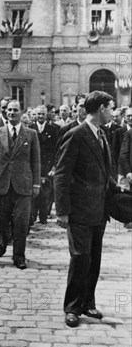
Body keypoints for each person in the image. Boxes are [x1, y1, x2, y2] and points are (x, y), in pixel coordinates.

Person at [54, 91, 117, 327]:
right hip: (79, 210)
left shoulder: (102, 134)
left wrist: (115, 187)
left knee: (94, 259)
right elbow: (61, 174)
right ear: (101, 109)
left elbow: (102, 169)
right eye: (110, 107)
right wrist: (62, 211)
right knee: (80, 258)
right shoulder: (76, 135)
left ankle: (88, 302)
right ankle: (72, 307)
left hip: (99, 210)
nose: (112, 111)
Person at [0, 100, 40, 269]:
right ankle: (2, 243)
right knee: (1, 220)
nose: (12, 113)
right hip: (2, 184)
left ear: (21, 112)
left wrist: (36, 184)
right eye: (9, 110)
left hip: (23, 185)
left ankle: (19, 256)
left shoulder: (30, 134)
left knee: (21, 222)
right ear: (5, 112)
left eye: (15, 110)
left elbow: (35, 161)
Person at [30, 105, 59, 225]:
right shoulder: (30, 128)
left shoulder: (54, 129)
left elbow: (57, 150)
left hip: (48, 165)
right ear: (36, 115)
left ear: (47, 115)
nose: (41, 116)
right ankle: (32, 216)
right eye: (39, 114)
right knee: (34, 191)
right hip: (35, 165)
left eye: (43, 114)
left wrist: (54, 166)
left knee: (46, 193)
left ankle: (43, 217)